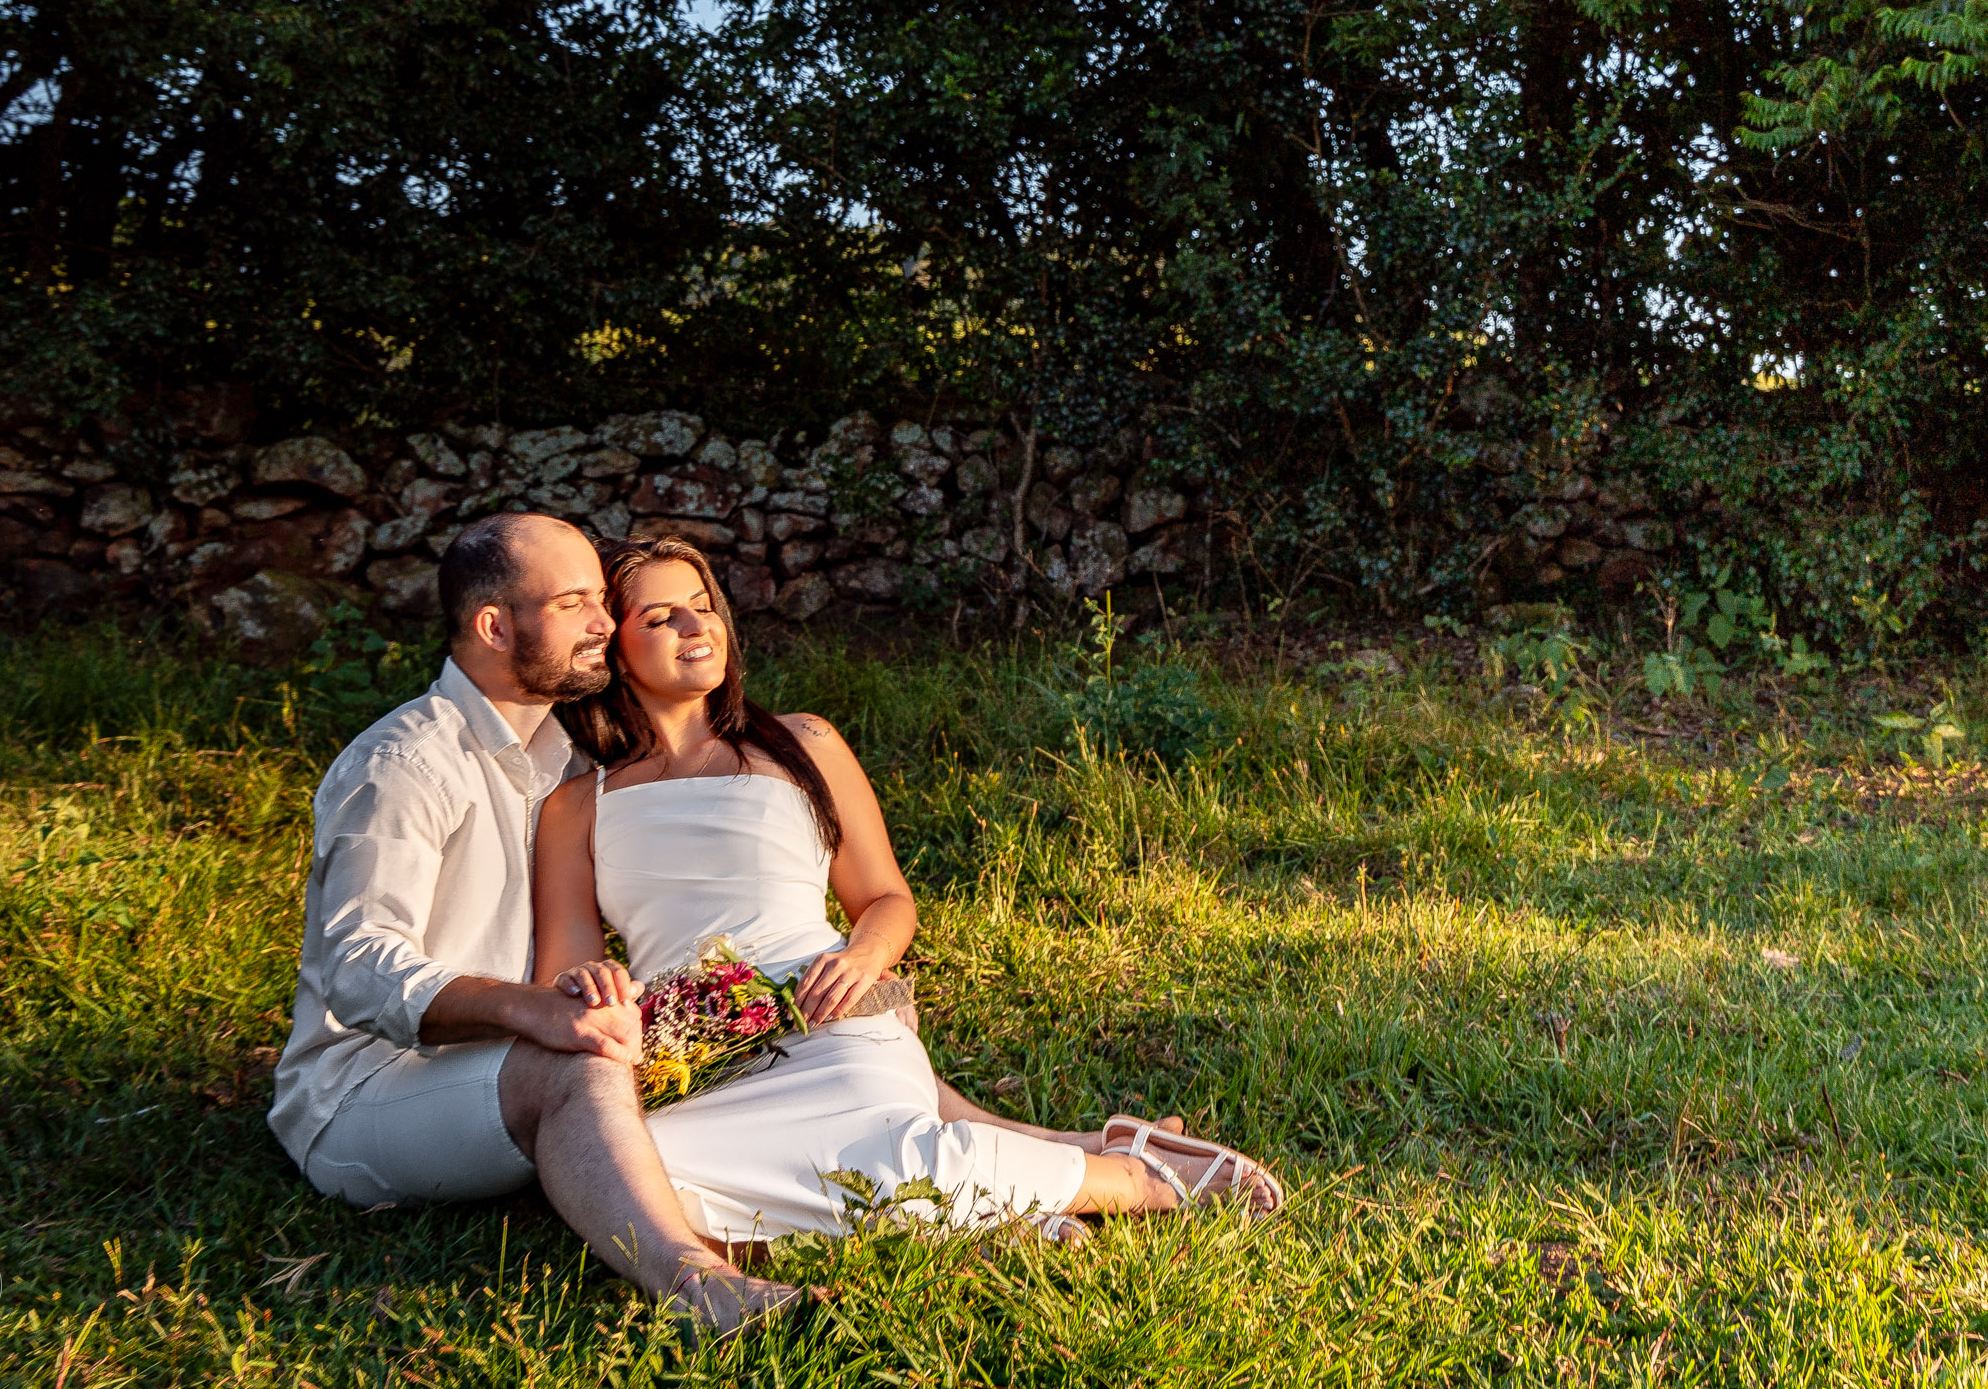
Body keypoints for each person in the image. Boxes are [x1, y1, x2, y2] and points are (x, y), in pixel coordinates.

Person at [534, 535, 1285, 1244]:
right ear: (616, 649)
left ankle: (1129, 1180)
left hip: (824, 1003)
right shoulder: (578, 806)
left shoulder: (801, 745)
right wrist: (593, 992)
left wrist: (863, 959)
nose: (694, 626)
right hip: (692, 1045)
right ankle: (993, 1205)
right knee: (645, 1179)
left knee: (898, 1160)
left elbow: (886, 899)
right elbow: (562, 973)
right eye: (659, 616)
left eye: (702, 604)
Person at [269, 513, 790, 1330]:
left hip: (502, 1061)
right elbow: (359, 965)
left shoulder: (571, 760)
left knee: (693, 1034)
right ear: (494, 625)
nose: (605, 623)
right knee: (573, 1063)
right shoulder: (404, 763)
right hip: (363, 1092)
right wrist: (530, 1008)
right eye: (577, 602)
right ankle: (706, 1291)